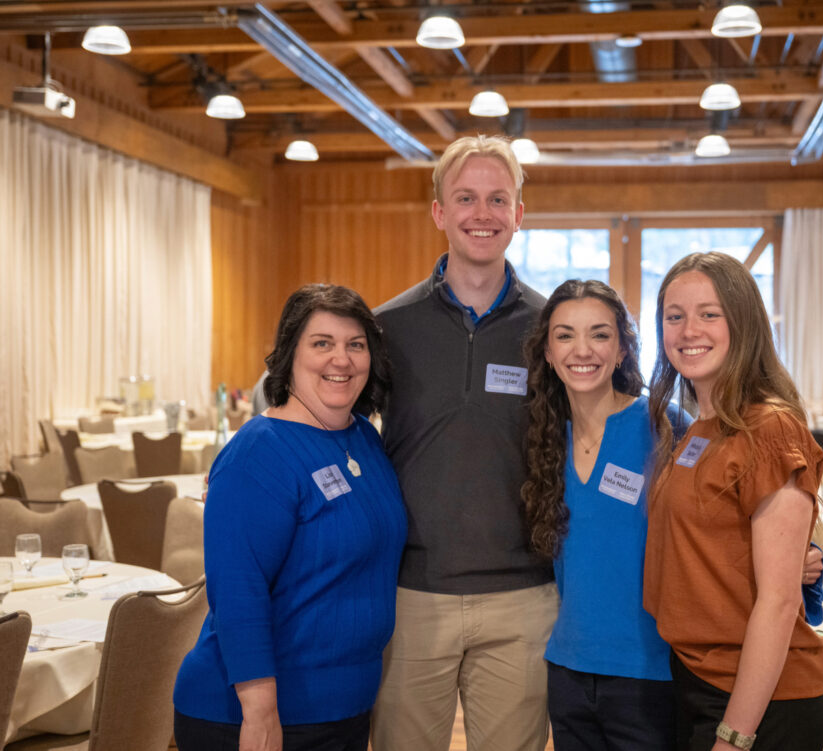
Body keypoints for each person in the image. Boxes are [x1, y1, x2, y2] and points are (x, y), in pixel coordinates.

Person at [521, 280, 823, 751]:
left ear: (624, 349)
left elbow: (744, 521)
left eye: (600, 334)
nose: (582, 349)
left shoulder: (669, 428)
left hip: (654, 673)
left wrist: (807, 562)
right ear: (545, 350)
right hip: (569, 668)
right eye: (564, 335)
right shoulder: (543, 440)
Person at [369, 135, 557, 751]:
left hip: (523, 599)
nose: (483, 213)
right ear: (440, 213)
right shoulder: (386, 328)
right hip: (411, 594)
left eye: (498, 199)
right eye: (467, 197)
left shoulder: (554, 329)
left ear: (519, 215)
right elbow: (328, 424)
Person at [173, 284, 407, 751]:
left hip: (344, 707)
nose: (340, 359)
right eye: (322, 343)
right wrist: (259, 713)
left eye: (354, 345)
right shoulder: (258, 453)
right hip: (255, 715)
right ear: (289, 354)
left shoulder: (363, 438)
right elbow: (238, 592)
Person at [644, 252, 823, 751]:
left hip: (760, 701)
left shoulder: (769, 427)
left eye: (709, 313)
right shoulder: (698, 428)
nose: (689, 330)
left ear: (743, 323)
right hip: (700, 679)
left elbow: (779, 600)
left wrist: (734, 734)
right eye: (674, 315)